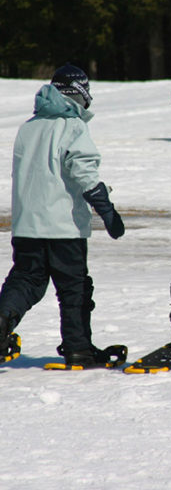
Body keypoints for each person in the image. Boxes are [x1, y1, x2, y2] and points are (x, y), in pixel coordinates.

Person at [0, 64, 125, 366]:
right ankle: (78, 347)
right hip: (63, 227)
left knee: (25, 281)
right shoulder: (73, 126)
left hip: (27, 226)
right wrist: (105, 209)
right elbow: (83, 170)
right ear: (79, 93)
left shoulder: (29, 127)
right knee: (74, 289)